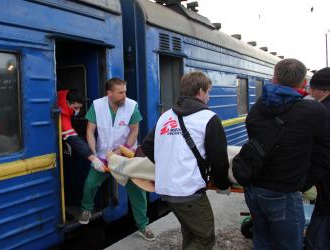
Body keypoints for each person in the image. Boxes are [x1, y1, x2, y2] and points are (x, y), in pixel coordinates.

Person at [244, 59, 330, 249]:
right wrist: (304, 182)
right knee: (289, 245)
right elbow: (324, 154)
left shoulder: (258, 107)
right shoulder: (314, 111)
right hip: (284, 191)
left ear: (274, 79)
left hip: (254, 187)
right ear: (304, 83)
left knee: (262, 240)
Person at [141, 72, 231, 250]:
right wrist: (222, 185)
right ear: (200, 91)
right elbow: (219, 159)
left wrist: (168, 166)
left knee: (190, 231)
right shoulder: (209, 118)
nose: (209, 96)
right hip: (189, 191)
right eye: (208, 92)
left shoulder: (166, 116)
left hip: (166, 188)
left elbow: (147, 145)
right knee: (205, 238)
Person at [78, 77, 155, 241]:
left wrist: (123, 150)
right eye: (121, 92)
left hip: (126, 156)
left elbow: (134, 131)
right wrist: (93, 156)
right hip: (103, 156)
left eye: (125, 91)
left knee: (137, 192)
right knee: (90, 184)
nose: (124, 95)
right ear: (109, 93)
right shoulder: (97, 106)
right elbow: (90, 131)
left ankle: (143, 226)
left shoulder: (131, 106)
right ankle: (86, 209)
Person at [305, 67, 330, 250]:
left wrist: (305, 182)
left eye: (313, 88)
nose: (310, 92)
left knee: (322, 228)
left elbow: (323, 154)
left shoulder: (323, 112)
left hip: (327, 184)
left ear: (325, 89)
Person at [57, 89, 105, 170]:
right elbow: (73, 138)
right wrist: (93, 158)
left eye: (79, 108)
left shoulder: (64, 94)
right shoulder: (63, 114)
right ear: (67, 102)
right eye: (75, 108)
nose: (78, 111)